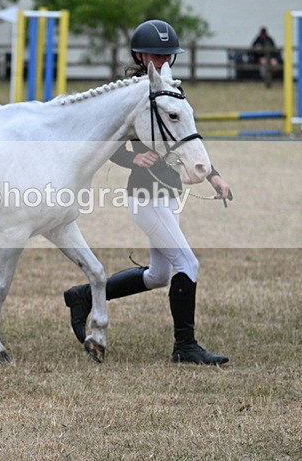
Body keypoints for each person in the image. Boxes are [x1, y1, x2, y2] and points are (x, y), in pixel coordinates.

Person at [63, 19, 232, 365]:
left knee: (158, 275)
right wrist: (131, 155)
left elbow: (185, 139)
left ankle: (83, 296)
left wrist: (213, 175)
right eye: (155, 55)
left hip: (170, 193)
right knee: (188, 262)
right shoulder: (129, 94)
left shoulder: (171, 89)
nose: (163, 60)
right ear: (139, 55)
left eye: (168, 54)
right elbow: (100, 141)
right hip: (145, 196)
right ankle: (185, 346)